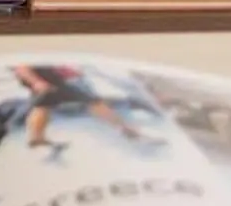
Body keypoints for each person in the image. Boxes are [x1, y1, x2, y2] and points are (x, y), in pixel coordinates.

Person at [17, 64, 162, 161]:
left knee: (44, 106)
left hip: (58, 78)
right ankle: (128, 132)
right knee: (46, 106)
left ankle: (37, 140)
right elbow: (22, 67)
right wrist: (35, 82)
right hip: (49, 77)